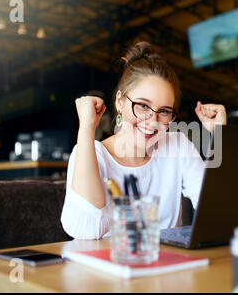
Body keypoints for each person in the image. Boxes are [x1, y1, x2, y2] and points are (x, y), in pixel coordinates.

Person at [61, 41, 227, 239]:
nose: (152, 120)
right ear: (120, 101)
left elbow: (220, 212)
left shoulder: (178, 145)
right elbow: (87, 231)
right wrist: (87, 126)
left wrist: (221, 136)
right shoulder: (91, 153)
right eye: (142, 106)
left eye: (164, 111)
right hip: (110, 266)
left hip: (170, 266)